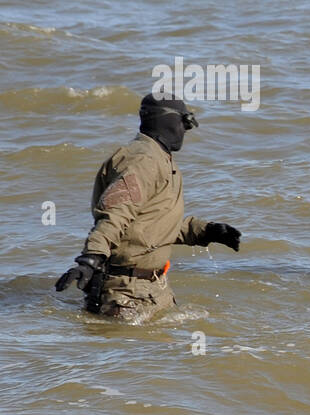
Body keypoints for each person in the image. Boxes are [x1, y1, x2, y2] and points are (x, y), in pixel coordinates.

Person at [54, 93, 242, 321]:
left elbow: (148, 224)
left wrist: (203, 231)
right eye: (185, 122)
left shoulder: (160, 159)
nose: (185, 131)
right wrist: (90, 258)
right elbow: (115, 215)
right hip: (126, 293)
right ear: (169, 121)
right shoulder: (142, 160)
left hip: (154, 289)